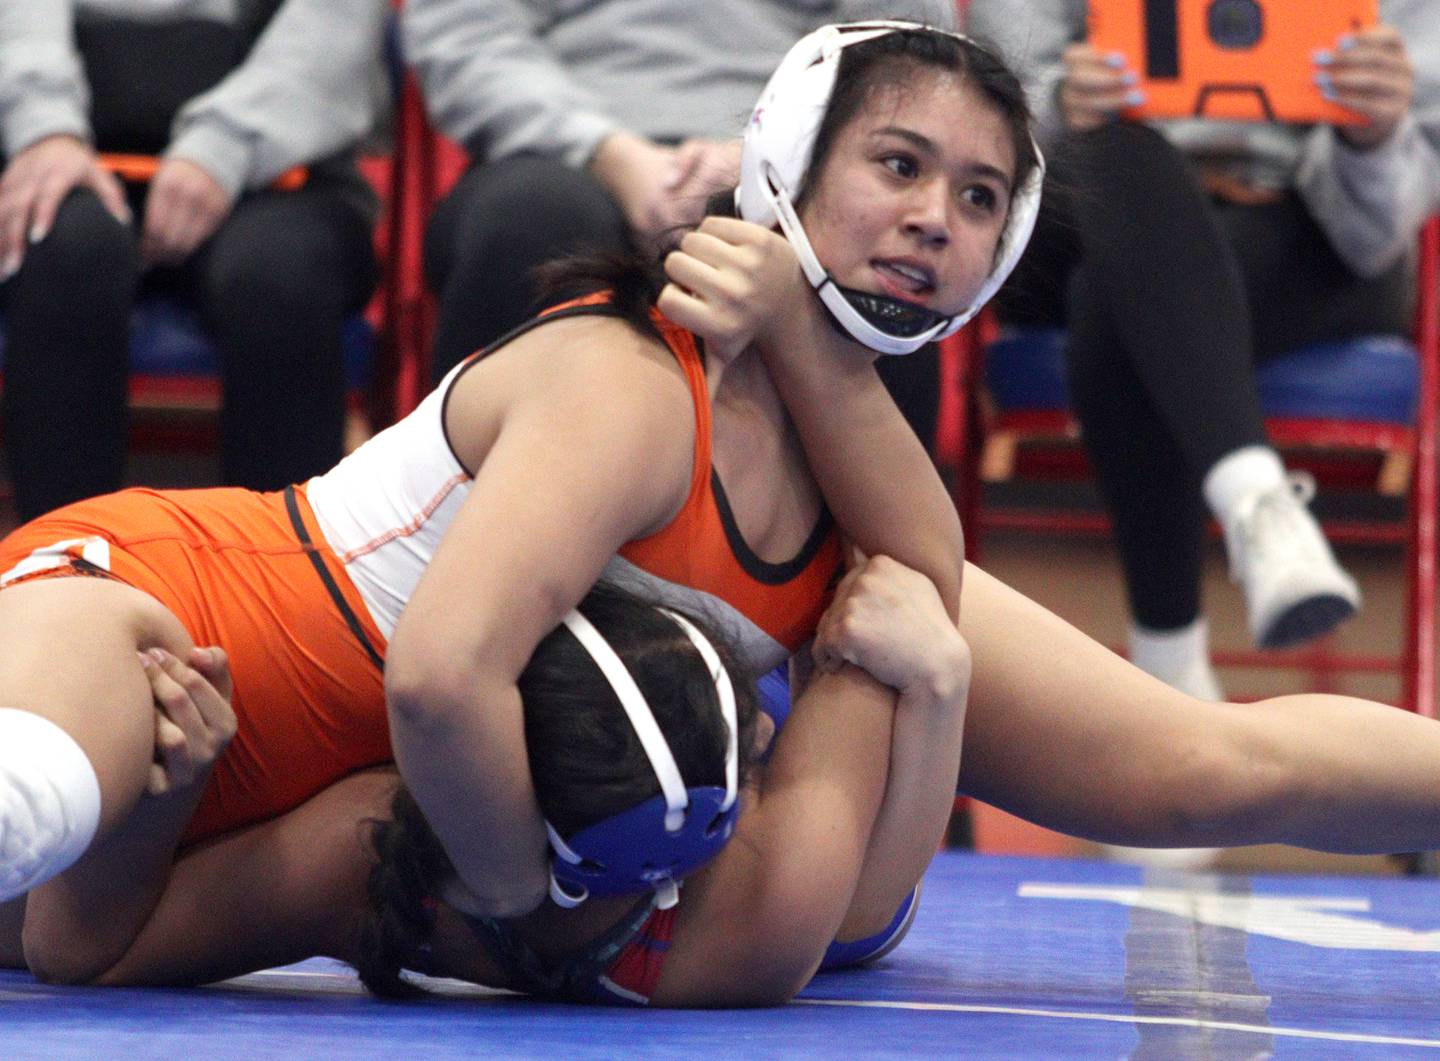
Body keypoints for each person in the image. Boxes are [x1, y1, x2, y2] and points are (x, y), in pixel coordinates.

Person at [8, 18, 1440, 999]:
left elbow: (860, 920)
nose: (938, 215)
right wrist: (524, 900)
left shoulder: (864, 505)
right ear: (786, 167)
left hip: (280, 836)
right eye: (898, 164)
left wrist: (930, 695)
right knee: (35, 795)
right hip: (172, 617)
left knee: (1197, 766)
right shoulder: (633, 385)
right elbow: (444, 680)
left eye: (980, 194)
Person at [4, 555, 969, 1007]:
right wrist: (943, 684)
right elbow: (889, 597)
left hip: (119, 589)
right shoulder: (776, 910)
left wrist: (170, 792)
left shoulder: (363, 840)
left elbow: (73, 951)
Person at [965, 0, 1440, 699]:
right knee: (1120, 169)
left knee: (1118, 293)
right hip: (1088, 197)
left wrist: (1374, 135)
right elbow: (986, 110)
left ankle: (1171, 665)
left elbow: (1383, 228)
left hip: (1303, 228)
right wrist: (1057, 102)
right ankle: (1260, 506)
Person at [402, 0, 958, 445]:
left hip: (797, 158)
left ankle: (881, 567)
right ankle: (476, 549)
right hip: (557, 148)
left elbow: (904, 48)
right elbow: (467, 31)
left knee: (875, 254)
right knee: (526, 225)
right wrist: (604, 150)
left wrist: (767, 155)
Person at [0, 0, 385, 521]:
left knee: (276, 276)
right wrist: (43, 128)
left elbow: (333, 36)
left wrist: (224, 146)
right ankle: (58, 568)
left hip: (282, 164)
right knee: (59, 248)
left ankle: (282, 574)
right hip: (56, 157)